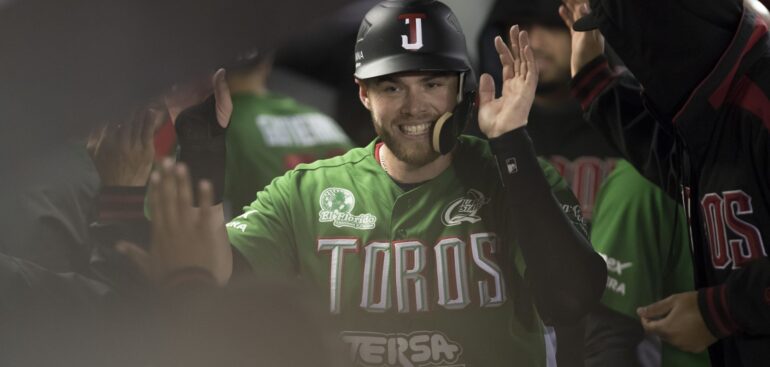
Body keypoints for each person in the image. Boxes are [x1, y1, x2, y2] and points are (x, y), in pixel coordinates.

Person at [117, 1, 607, 366]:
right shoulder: (307, 192)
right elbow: (214, 279)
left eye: (432, 84)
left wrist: (512, 145)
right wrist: (204, 152)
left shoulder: (517, 178)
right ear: (364, 94)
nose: (415, 107)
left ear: (460, 89)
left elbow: (569, 299)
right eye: (393, 86)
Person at [560, 0, 770, 365]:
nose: (634, 58)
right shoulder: (713, 98)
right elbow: (677, 165)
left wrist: (718, 311)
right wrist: (595, 85)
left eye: (632, 39)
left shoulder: (759, 95)